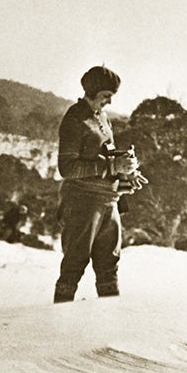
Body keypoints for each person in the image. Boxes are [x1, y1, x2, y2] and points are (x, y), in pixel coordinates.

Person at [53, 65, 144, 303]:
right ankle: (56, 329)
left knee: (108, 267)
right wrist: (113, 167)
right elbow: (67, 168)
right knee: (74, 265)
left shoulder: (102, 118)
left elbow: (105, 154)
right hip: (83, 202)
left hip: (108, 201)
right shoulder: (74, 119)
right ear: (91, 91)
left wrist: (127, 172)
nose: (109, 102)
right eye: (106, 96)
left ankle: (109, 326)